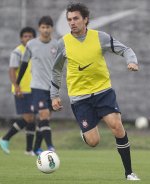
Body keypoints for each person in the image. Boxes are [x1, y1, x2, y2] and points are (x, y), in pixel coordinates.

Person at [50, 3, 140, 181]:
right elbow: (56, 70)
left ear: (85, 20)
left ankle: (129, 173)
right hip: (79, 98)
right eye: (69, 19)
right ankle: (86, 132)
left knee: (116, 126)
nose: (72, 22)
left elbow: (125, 49)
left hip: (103, 92)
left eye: (76, 18)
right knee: (93, 142)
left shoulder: (100, 37)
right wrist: (54, 95)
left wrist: (132, 61)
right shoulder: (63, 43)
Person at [16, 16, 58, 155]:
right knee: (44, 114)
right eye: (43, 27)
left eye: (48, 27)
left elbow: (60, 67)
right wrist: (17, 84)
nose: (45, 30)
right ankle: (51, 147)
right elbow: (24, 64)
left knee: (45, 119)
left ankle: (36, 148)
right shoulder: (31, 44)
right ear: (39, 28)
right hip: (37, 86)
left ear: (52, 29)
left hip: (51, 88)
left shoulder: (56, 45)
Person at [0, 27, 36, 156]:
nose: (28, 38)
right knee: (28, 117)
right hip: (22, 90)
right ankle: (5, 138)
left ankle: (29, 150)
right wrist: (17, 86)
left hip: (34, 89)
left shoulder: (34, 51)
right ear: (21, 38)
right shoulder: (17, 52)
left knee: (32, 118)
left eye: (30, 36)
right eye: (25, 36)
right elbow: (12, 70)